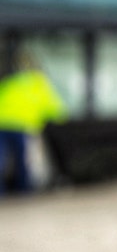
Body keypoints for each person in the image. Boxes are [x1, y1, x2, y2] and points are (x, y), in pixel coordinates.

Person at [0, 51, 67, 196]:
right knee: (23, 161)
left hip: (1, 124)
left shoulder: (13, 80)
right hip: (22, 126)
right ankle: (24, 192)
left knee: (2, 160)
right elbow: (55, 108)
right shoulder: (39, 83)